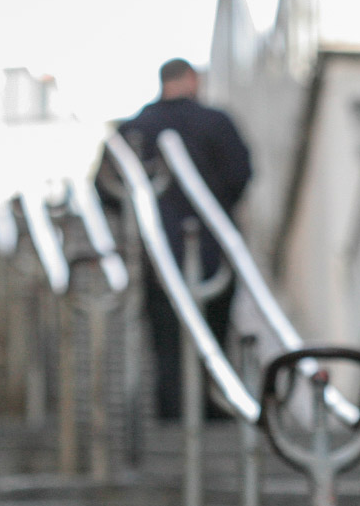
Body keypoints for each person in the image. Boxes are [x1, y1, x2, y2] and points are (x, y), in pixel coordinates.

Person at [103, 58, 252, 420]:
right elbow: (241, 173)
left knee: (166, 337)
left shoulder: (133, 130)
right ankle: (212, 409)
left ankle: (172, 413)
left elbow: (105, 188)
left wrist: (138, 220)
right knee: (213, 332)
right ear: (191, 79)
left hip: (156, 252)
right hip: (214, 245)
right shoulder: (216, 122)